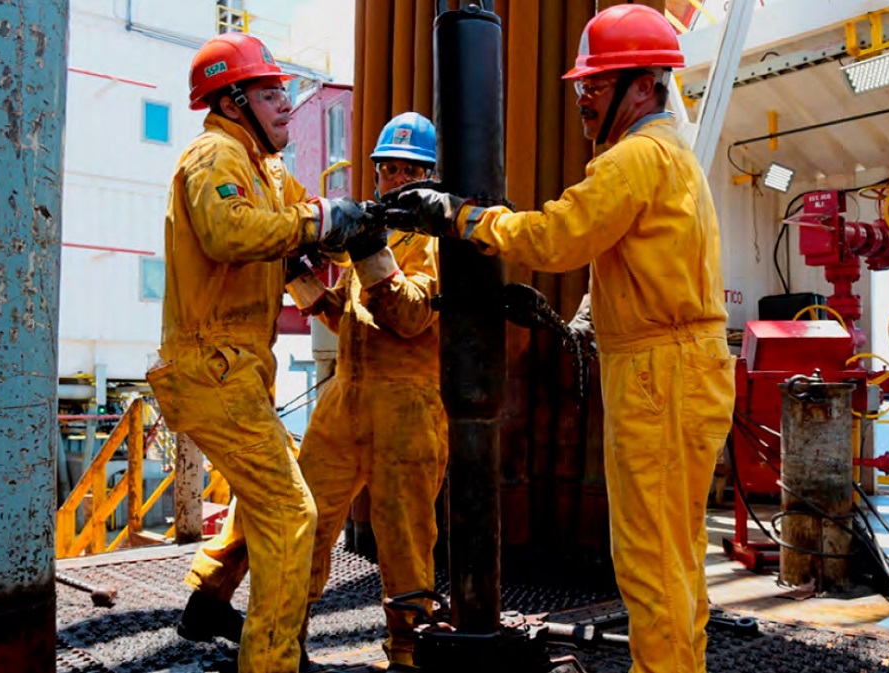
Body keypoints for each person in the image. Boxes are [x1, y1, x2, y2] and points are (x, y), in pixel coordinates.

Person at [376, 6, 736, 672]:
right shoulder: (673, 159)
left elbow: (555, 237)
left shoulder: (633, 160)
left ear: (643, 86)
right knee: (677, 555)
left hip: (658, 377)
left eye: (596, 84)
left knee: (650, 562)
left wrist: (464, 217)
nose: (582, 98)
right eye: (582, 85)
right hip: (683, 370)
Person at [145, 32, 370, 673]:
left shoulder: (266, 168)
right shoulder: (214, 157)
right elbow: (230, 232)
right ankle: (272, 662)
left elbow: (307, 222)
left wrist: (353, 224)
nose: (285, 104)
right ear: (232, 101)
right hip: (210, 364)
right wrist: (317, 223)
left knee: (269, 489)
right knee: (292, 512)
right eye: (270, 94)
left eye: (283, 92)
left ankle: (209, 602)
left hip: (239, 367)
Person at [287, 112, 447, 672]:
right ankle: (283, 640)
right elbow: (349, 318)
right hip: (346, 395)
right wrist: (297, 274)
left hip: (407, 406)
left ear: (429, 179)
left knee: (404, 537)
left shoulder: (435, 243)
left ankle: (408, 652)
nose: (395, 180)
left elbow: (408, 317)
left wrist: (370, 249)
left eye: (409, 171)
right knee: (304, 518)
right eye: (387, 169)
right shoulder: (375, 237)